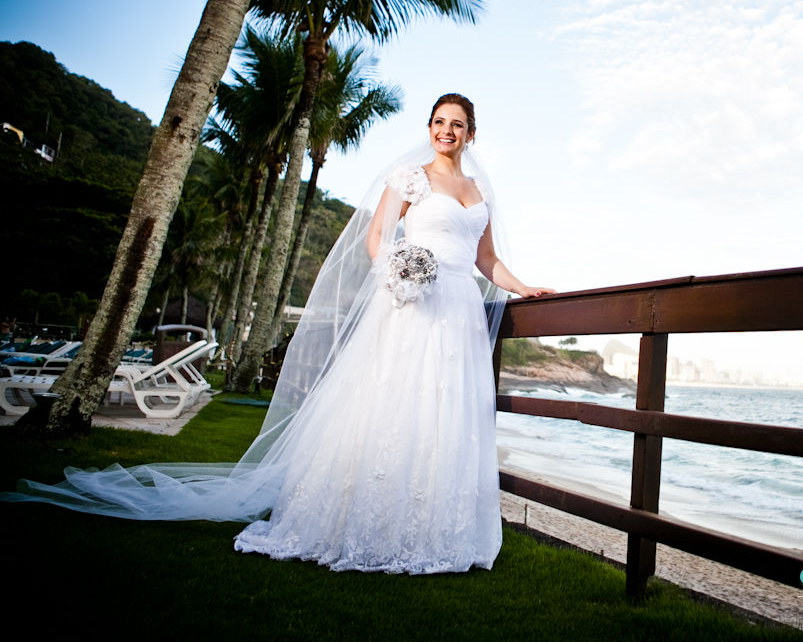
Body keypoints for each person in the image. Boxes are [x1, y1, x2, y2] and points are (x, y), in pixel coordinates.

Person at [3, 93, 553, 576]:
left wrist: (526, 289)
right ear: (429, 128)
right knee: (396, 404)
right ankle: (369, 519)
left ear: (471, 133)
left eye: (456, 123)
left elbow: (487, 260)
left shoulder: (477, 189)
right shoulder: (410, 177)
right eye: (438, 121)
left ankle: (440, 527)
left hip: (458, 309)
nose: (446, 131)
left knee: (448, 410)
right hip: (412, 303)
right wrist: (401, 271)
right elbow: (375, 240)